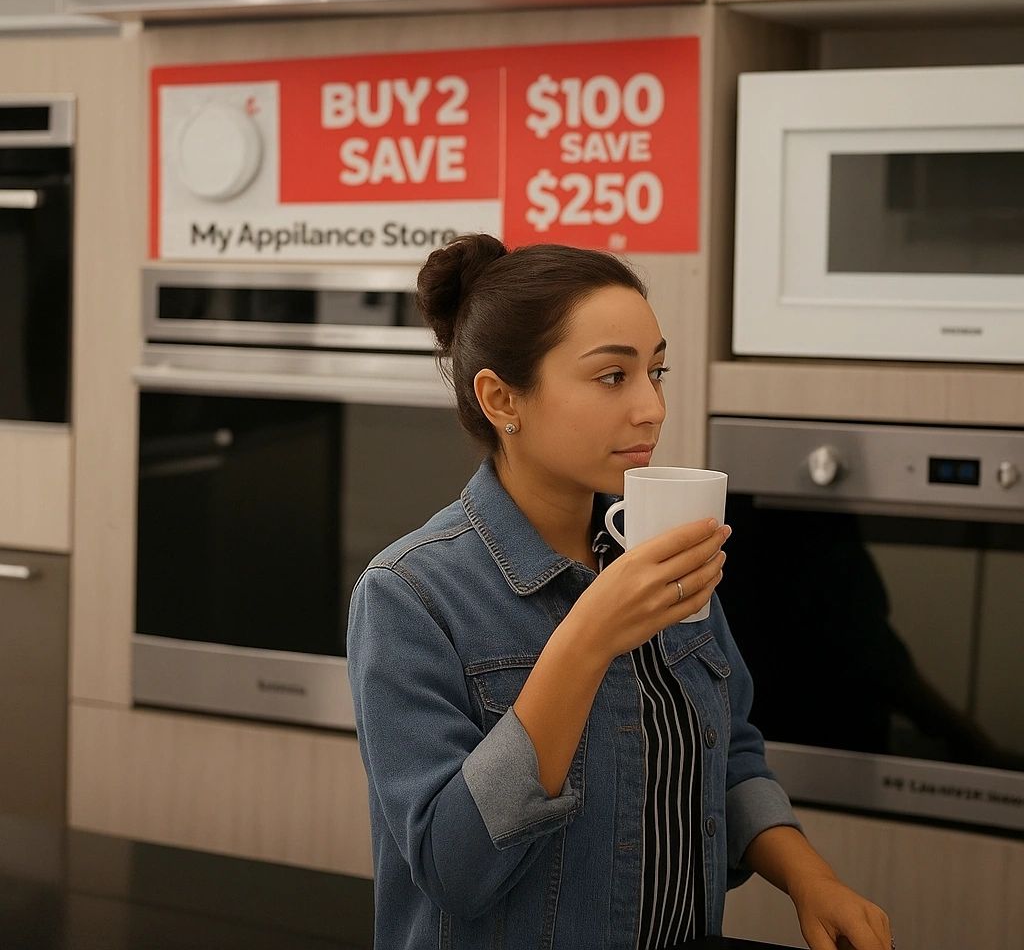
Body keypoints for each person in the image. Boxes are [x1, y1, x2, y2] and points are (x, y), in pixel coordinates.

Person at [347, 235, 894, 950]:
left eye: (656, 371)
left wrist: (809, 876)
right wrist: (586, 638)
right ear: (502, 397)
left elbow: (728, 750)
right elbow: (456, 868)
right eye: (612, 377)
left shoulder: (654, 551)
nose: (652, 408)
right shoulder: (408, 596)